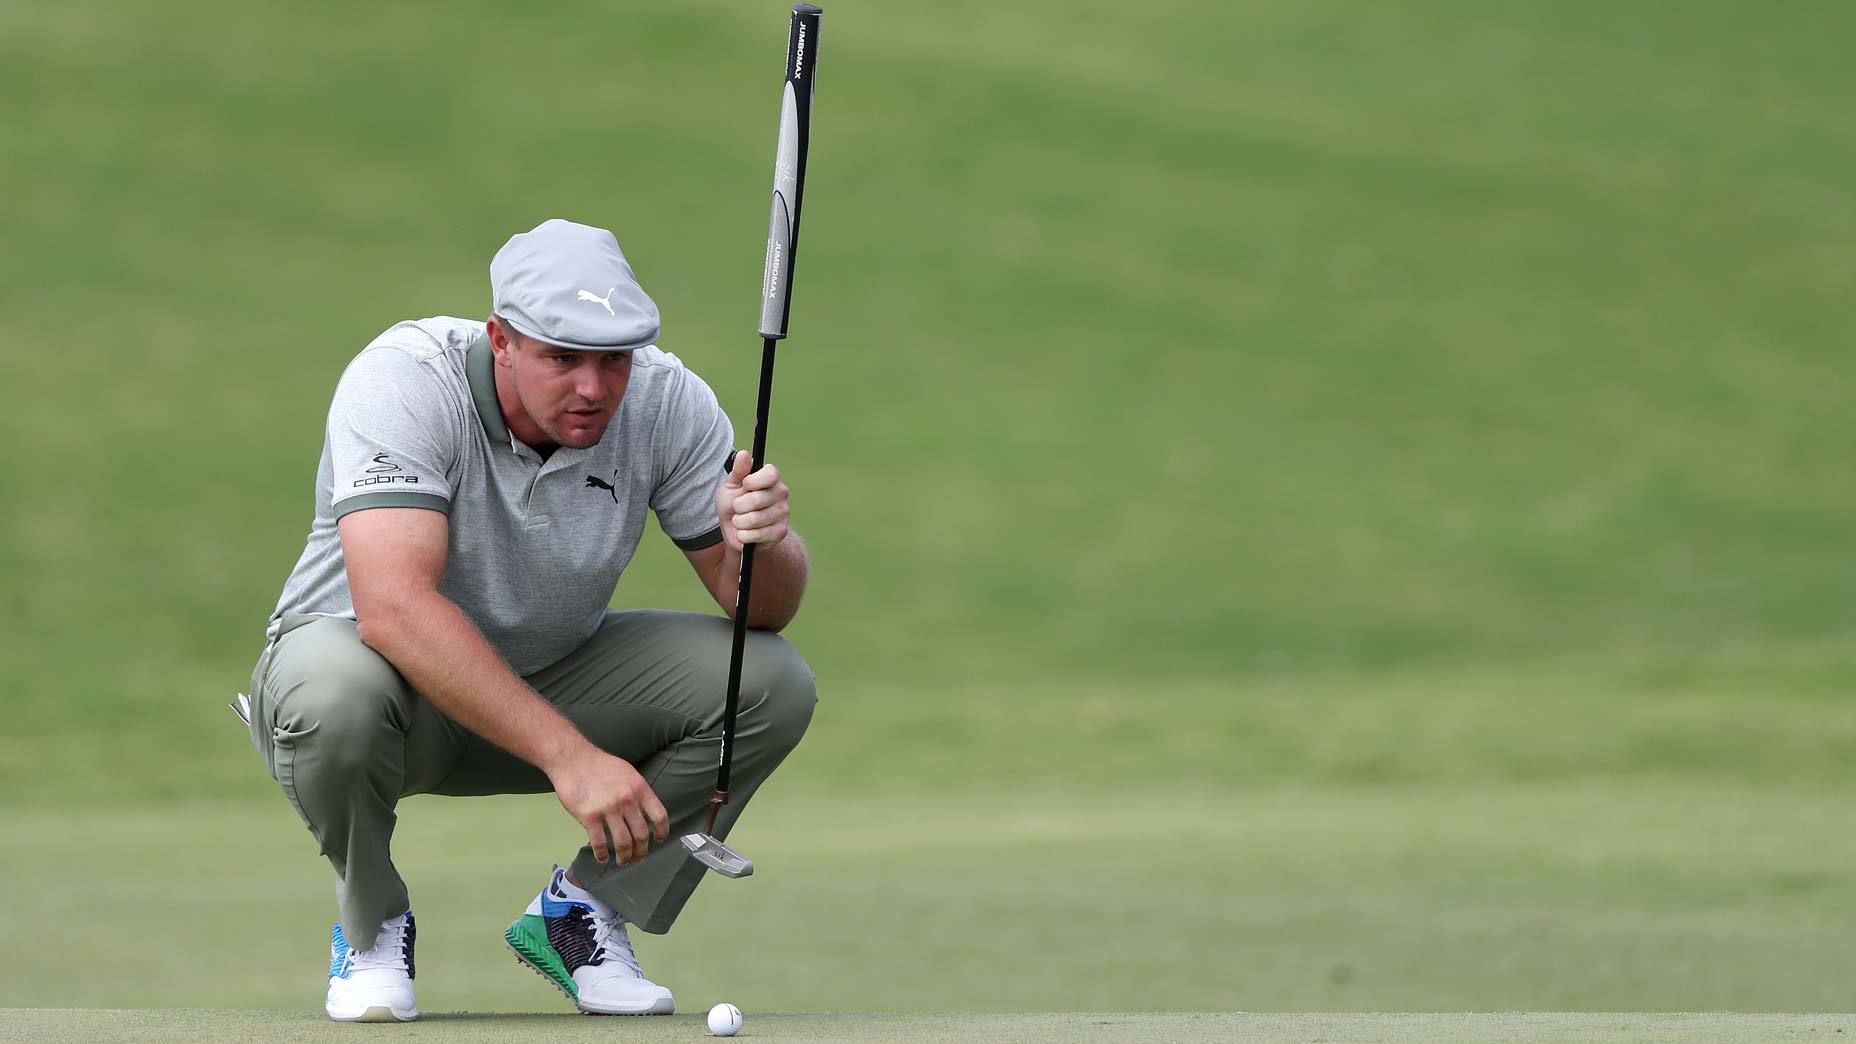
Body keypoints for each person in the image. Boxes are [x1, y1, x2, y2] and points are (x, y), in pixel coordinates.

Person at [244, 218, 816, 1022]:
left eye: (612, 360)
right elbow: (394, 608)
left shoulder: (662, 398)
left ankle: (581, 914)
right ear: (501, 339)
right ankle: (370, 925)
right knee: (330, 689)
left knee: (770, 681)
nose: (593, 388)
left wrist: (763, 539)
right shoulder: (405, 380)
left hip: (547, 672)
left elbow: (760, 607)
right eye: (562, 359)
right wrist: (569, 757)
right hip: (385, 697)